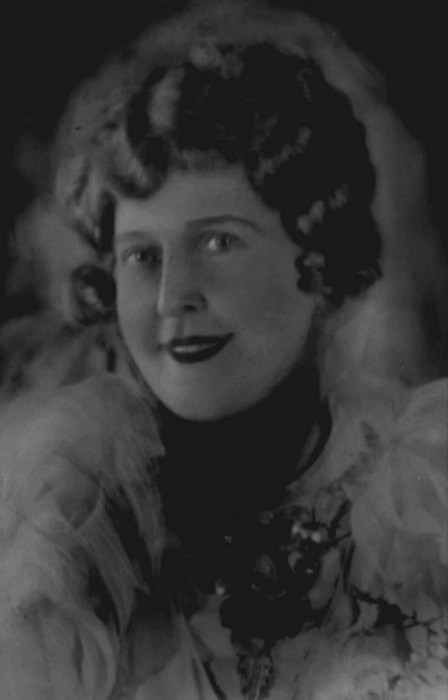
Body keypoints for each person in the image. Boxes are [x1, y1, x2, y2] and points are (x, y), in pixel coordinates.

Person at [0, 3, 447, 699]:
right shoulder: (75, 518)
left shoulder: (423, 495)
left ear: (317, 259)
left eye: (218, 242)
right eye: (141, 255)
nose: (171, 297)